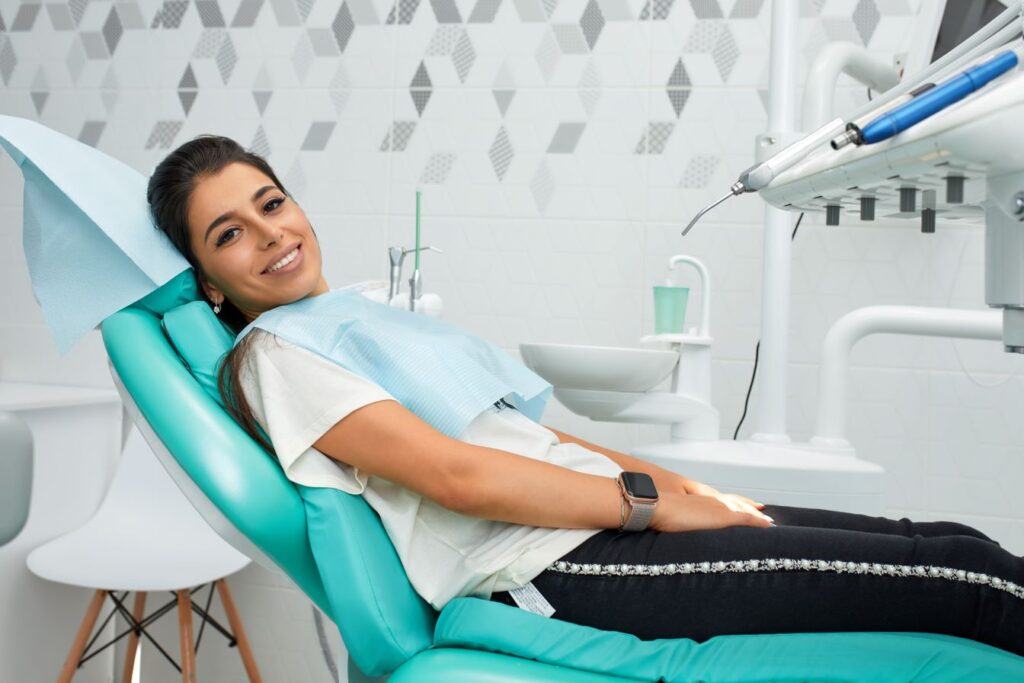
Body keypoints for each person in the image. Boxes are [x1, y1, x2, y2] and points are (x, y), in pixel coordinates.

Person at [147, 135, 1024, 656]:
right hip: (559, 566)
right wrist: (649, 510)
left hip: (595, 522)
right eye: (231, 233)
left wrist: (673, 485)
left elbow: (530, 439)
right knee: (969, 584)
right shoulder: (275, 355)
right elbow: (458, 475)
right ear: (211, 281)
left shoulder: (351, 320)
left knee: (949, 541)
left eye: (272, 203)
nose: (272, 234)